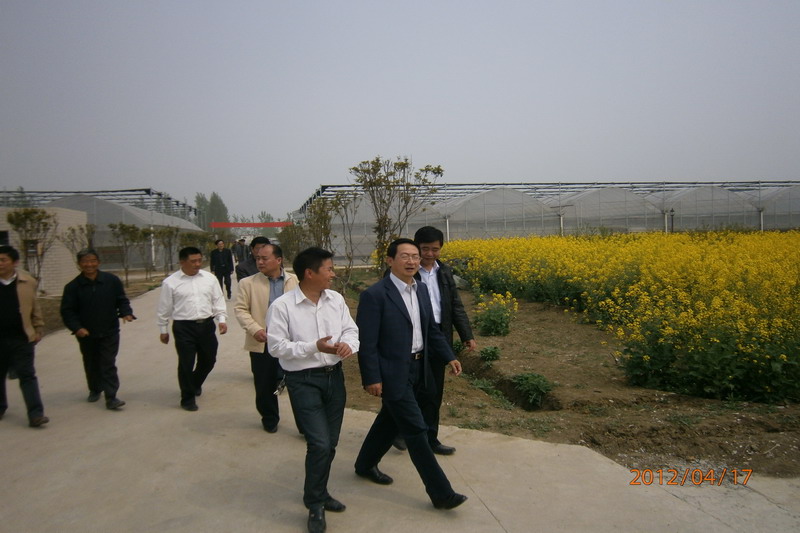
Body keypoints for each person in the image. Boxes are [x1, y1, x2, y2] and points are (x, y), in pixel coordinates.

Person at [353, 238, 467, 510]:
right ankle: (442, 494)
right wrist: (372, 378)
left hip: (419, 367)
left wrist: (449, 356)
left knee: (389, 421)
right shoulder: (375, 295)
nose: (412, 261)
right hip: (393, 371)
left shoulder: (421, 289)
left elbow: (431, 330)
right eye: (405, 256)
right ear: (390, 260)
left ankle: (364, 464)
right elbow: (367, 343)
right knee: (416, 429)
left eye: (415, 256)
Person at [267, 247, 359, 533]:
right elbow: (276, 347)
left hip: (334, 378)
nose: (333, 274)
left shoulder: (336, 300)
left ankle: (319, 492)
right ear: (310, 273)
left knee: (330, 443)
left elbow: (351, 330)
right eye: (329, 269)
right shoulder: (282, 306)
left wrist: (348, 345)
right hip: (303, 380)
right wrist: (313, 347)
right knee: (318, 443)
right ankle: (315, 504)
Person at [403, 226, 476, 454]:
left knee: (434, 392)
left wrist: (466, 334)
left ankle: (430, 438)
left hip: (439, 337)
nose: (430, 254)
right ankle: (401, 432)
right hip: (412, 339)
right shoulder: (406, 271)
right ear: (416, 247)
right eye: (425, 249)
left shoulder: (443, 272)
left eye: (435, 249)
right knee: (408, 390)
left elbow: (455, 305)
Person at [233, 243, 299, 433]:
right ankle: (270, 418)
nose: (260, 262)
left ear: (279, 260)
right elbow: (241, 310)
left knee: (298, 384)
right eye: (257, 258)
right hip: (263, 342)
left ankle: (305, 424)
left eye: (264, 258)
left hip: (292, 343)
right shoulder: (248, 283)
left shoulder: (295, 281)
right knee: (264, 384)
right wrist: (255, 329)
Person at [60, 248, 135, 410]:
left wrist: (126, 313)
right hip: (86, 333)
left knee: (108, 363)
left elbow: (121, 299)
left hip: (109, 330)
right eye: (85, 261)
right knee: (91, 362)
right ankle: (95, 388)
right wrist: (77, 328)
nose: (89, 264)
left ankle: (111, 397)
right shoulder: (72, 287)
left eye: (93, 261)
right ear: (79, 264)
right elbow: (67, 311)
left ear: (98, 262)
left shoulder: (111, 281)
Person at [157, 246, 227, 411]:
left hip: (206, 325)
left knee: (209, 360)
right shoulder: (170, 283)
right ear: (182, 262)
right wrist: (163, 330)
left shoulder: (209, 279)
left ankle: (195, 383)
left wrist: (222, 319)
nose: (197, 264)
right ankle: (187, 398)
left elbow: (218, 299)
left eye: (199, 260)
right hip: (184, 327)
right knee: (186, 363)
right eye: (193, 261)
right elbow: (164, 308)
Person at [0, 245, 49, 428]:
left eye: (3, 260)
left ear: (14, 262)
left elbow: (35, 307)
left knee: (27, 375)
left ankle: (36, 414)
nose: (0, 263)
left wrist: (38, 328)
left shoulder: (27, 282)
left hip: (21, 338)